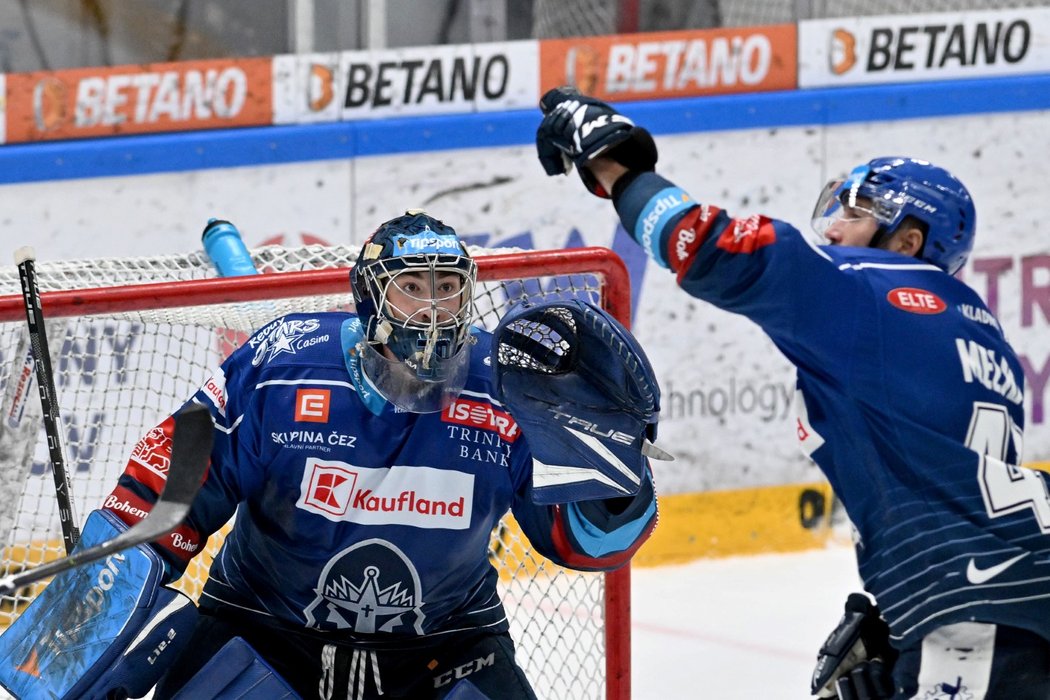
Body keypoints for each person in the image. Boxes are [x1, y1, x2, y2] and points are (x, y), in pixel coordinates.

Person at [535, 88, 1050, 699]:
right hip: (1008, 597)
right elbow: (946, 483)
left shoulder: (870, 291)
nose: (833, 228)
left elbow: (718, 251)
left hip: (976, 614)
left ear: (908, 241)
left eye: (855, 214)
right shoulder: (980, 333)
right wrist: (898, 622)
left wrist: (621, 170)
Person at [90, 210, 659, 699]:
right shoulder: (280, 363)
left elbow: (580, 544)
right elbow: (176, 475)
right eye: (412, 286)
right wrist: (104, 592)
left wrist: (615, 476)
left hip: (446, 644)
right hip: (264, 625)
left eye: (448, 288)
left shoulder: (507, 385)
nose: (434, 309)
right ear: (371, 298)